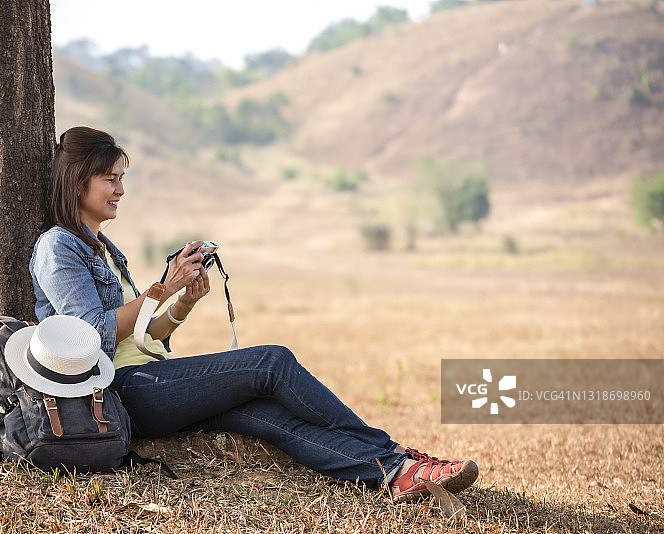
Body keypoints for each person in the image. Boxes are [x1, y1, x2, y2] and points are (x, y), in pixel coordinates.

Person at [29, 126, 478, 502]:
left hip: (153, 378)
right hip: (121, 393)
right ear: (77, 182)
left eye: (121, 178)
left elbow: (143, 335)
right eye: (110, 179)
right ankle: (395, 450)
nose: (121, 190)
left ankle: (393, 474)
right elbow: (92, 336)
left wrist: (183, 303)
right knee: (271, 362)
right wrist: (164, 287)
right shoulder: (58, 246)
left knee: (266, 415)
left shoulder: (106, 249)